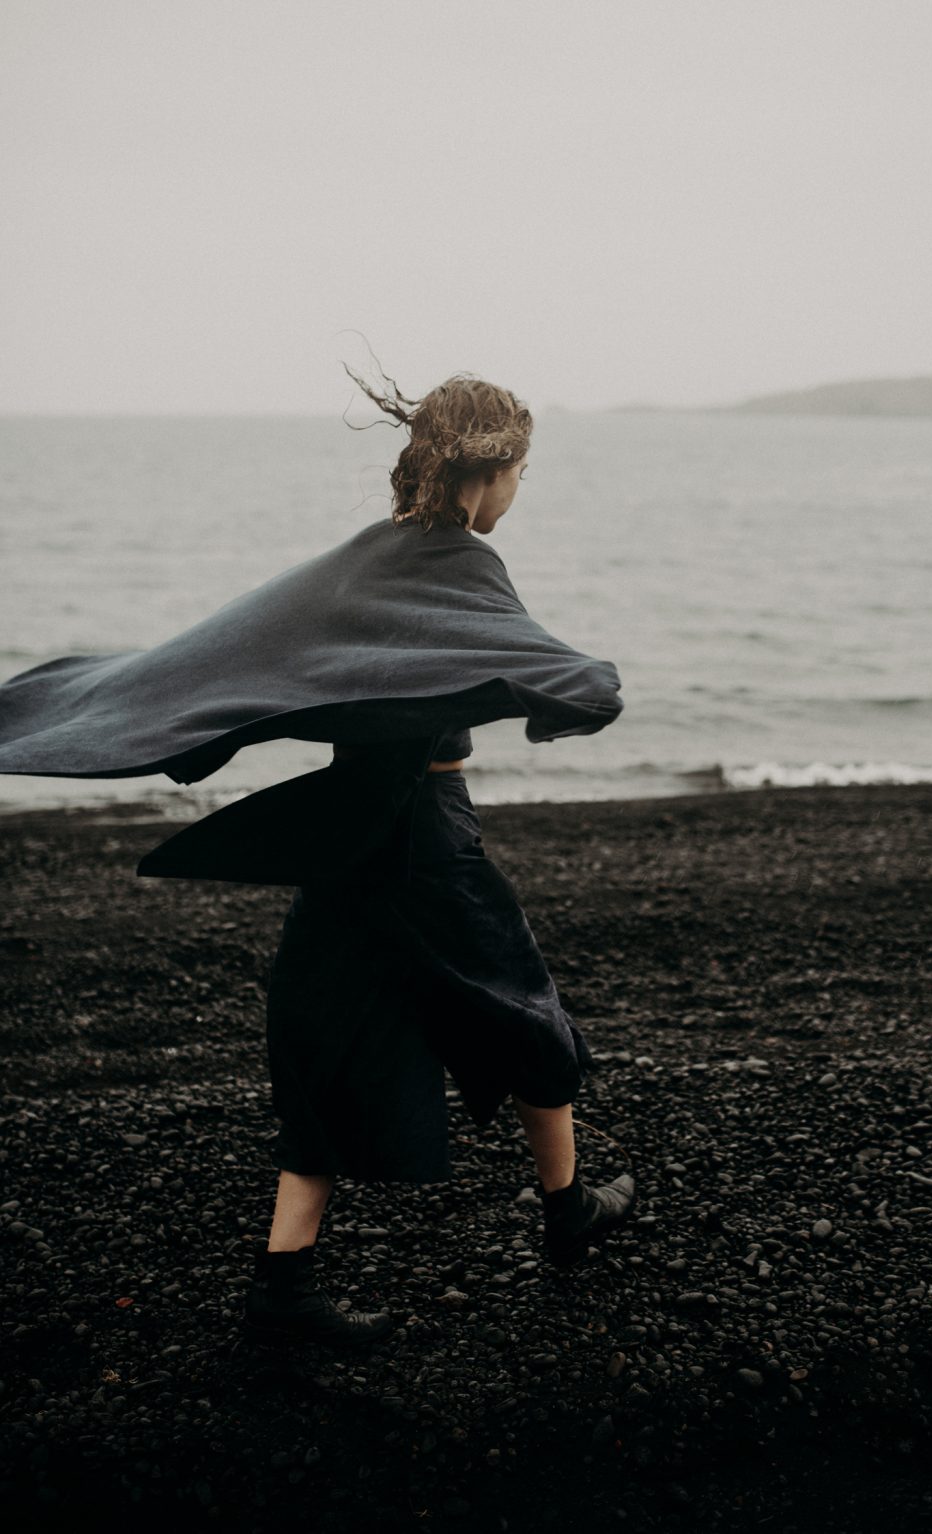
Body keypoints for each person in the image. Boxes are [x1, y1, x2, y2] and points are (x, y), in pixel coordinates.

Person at [243, 373, 637, 1351]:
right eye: (522, 472)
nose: (518, 492)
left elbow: (285, 653)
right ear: (490, 471)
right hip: (423, 830)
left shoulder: (365, 558)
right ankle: (568, 1212)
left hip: (348, 831)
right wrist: (587, 690)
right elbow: (550, 670)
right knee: (525, 1008)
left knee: (320, 1029)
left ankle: (284, 1287)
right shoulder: (463, 564)